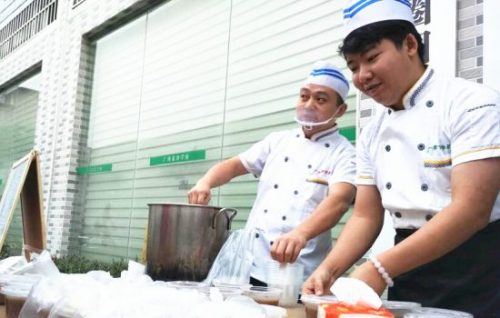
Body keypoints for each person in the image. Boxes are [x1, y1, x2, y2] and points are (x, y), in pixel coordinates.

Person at [303, 1, 500, 316]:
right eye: (353, 67)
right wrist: (330, 268)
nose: (362, 76)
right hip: (408, 269)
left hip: (476, 271)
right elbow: (366, 216)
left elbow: (471, 211)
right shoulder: (372, 133)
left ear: (410, 44)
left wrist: (379, 268)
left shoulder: (471, 104)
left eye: (371, 58)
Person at [188, 61, 356, 286]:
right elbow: (233, 165)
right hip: (250, 264)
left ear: (340, 110)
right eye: (304, 96)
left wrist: (300, 234)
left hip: (299, 271)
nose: (309, 104)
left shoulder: (345, 153)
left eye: (321, 99)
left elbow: (339, 201)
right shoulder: (278, 141)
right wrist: (205, 182)